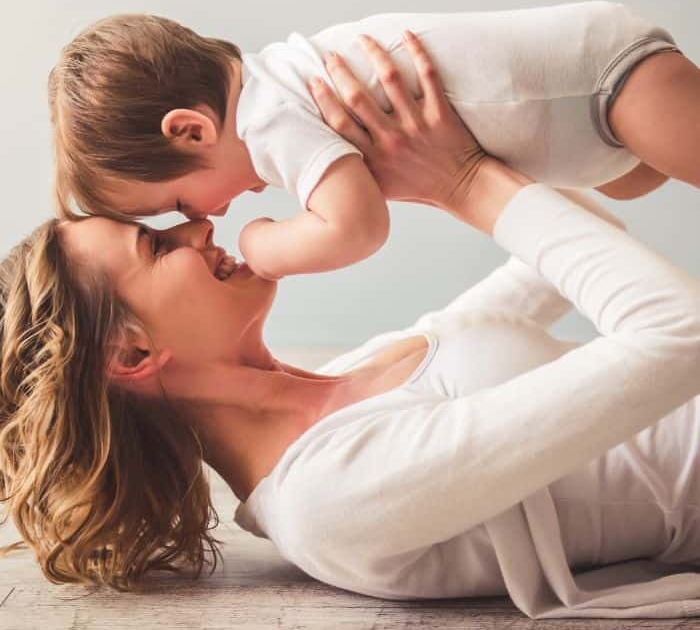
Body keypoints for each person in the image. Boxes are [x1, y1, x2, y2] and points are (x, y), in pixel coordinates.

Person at [2, 35, 700, 620]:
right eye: (155, 247)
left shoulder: (346, 375)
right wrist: (460, 181)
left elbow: (574, 241)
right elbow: (680, 333)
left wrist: (420, 143)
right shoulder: (329, 495)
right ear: (132, 353)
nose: (197, 224)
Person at [48, 2, 700, 281]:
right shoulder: (278, 83)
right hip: (594, 123)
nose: (208, 218)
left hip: (607, 84)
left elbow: (357, 228)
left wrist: (264, 247)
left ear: (191, 130)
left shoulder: (267, 119)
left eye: (181, 202)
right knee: (641, 175)